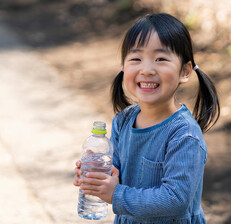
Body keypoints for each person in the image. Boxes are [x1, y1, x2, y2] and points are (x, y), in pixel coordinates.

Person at [74, 13, 220, 224]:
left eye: (160, 59)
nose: (147, 69)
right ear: (124, 68)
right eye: (136, 59)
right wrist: (97, 175)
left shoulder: (184, 134)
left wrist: (116, 194)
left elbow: (175, 198)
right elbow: (116, 173)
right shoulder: (123, 121)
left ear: (185, 71)